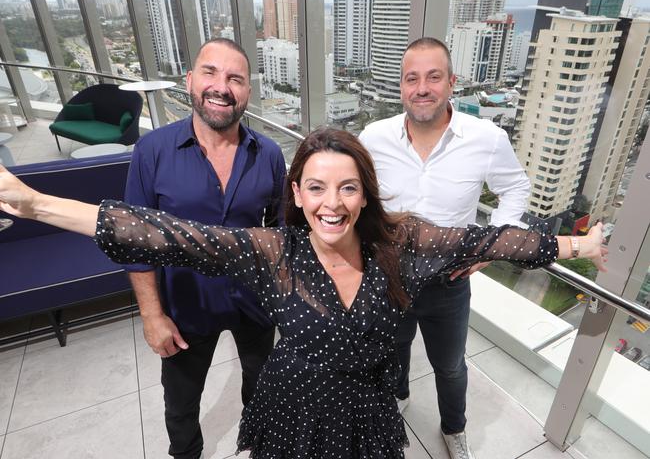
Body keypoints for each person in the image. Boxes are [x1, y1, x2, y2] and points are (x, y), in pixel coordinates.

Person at [0, 128, 607, 459]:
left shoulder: (405, 241)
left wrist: (578, 249)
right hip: (291, 402)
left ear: (366, 194)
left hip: (368, 408)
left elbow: (490, 237)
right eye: (316, 188)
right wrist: (33, 203)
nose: (331, 204)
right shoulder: (274, 251)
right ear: (296, 192)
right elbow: (162, 234)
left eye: (347, 188)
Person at [360, 37, 530, 459]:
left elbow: (515, 189)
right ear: (400, 86)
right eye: (411, 78)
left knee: (451, 367)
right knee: (392, 349)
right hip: (389, 278)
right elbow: (355, 193)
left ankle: (454, 428)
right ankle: (396, 399)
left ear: (451, 82)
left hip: (448, 284)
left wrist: (491, 247)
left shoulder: (485, 138)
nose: (422, 88)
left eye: (433, 77)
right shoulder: (373, 136)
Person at [125, 38, 286, 459]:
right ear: (190, 80)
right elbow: (135, 242)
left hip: (254, 303)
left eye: (235, 78)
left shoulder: (268, 154)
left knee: (261, 386)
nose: (222, 86)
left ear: (248, 91)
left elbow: (283, 231)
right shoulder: (152, 151)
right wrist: (151, 315)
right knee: (180, 402)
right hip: (184, 306)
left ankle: (258, 446)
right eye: (211, 73)